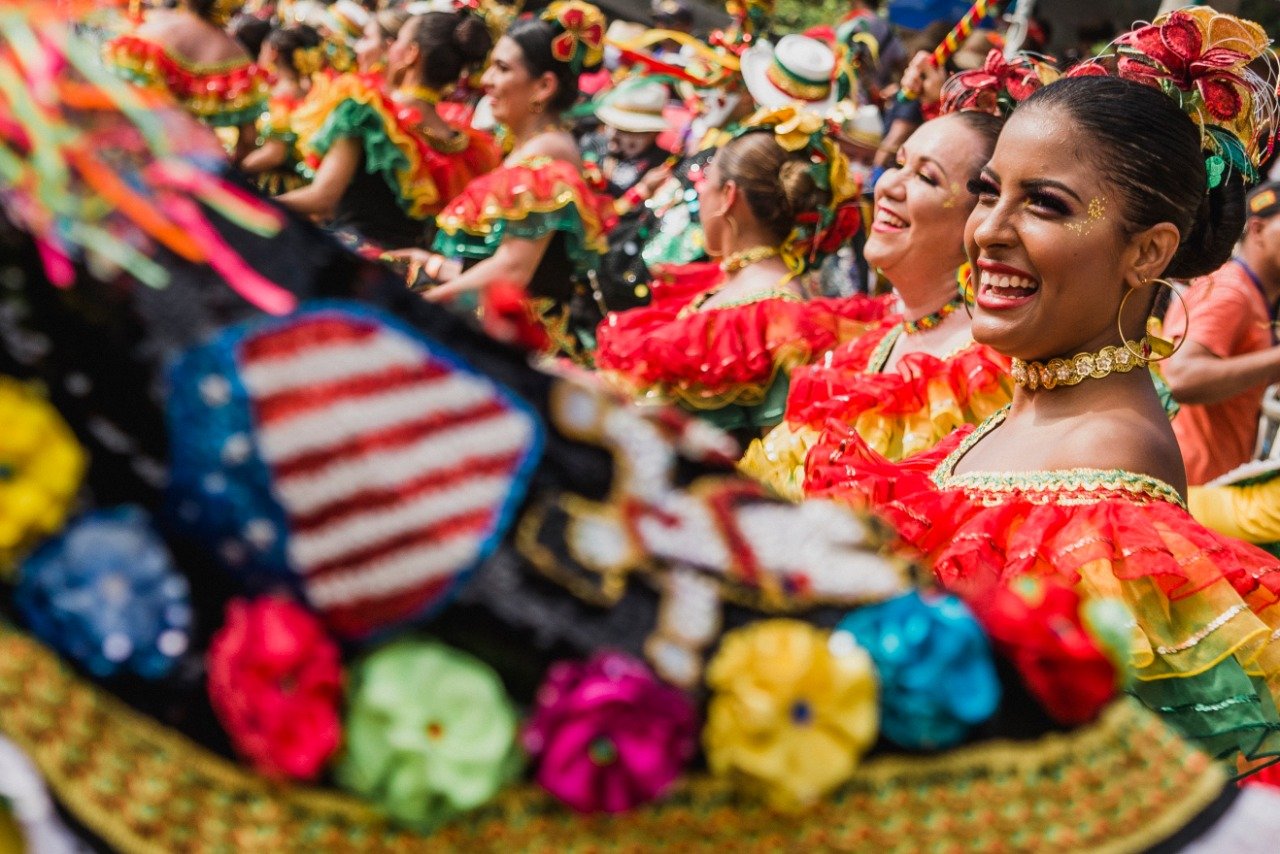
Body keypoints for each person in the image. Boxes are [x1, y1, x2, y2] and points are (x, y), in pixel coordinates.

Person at [807, 7, 1280, 771]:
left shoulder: (1104, 475)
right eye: (989, 192)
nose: (988, 229)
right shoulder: (1025, 408)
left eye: (1045, 204)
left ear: (1147, 251)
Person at [740, 110, 1013, 499]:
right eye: (899, 163)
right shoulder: (871, 344)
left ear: (978, 221)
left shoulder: (990, 375)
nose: (888, 187)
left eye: (926, 177)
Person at [593, 106, 873, 440]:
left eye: (705, 184)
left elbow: (779, 453)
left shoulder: (775, 316)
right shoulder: (736, 287)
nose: (699, 193)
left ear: (728, 196)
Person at [393, 2, 614, 359]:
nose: (487, 81)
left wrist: (420, 303)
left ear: (543, 86)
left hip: (517, 345)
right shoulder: (530, 150)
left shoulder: (548, 155)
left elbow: (514, 269)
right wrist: (428, 262)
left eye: (502, 68)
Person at [280, 9, 500, 248]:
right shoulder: (465, 144)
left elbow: (322, 198)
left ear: (411, 54)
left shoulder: (365, 109)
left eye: (399, 41)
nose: (391, 47)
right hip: (408, 273)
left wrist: (246, 200)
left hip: (353, 261)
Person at [1162, 181, 1280, 486]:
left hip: (1209, 481)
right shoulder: (1232, 292)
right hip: (1188, 485)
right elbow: (1182, 377)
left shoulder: (1254, 295)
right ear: (1256, 230)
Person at [103, 0, 268, 163]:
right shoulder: (238, 56)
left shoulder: (154, 30)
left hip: (140, 148)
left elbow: (117, 95)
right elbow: (248, 139)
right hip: (196, 163)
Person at [240, 24, 323, 194]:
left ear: (273, 52)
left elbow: (274, 154)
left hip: (275, 187)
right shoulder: (309, 89)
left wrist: (233, 170)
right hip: (298, 184)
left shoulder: (283, 96)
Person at [581, 83, 673, 197]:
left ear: (653, 133)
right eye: (612, 125)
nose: (614, 135)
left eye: (626, 130)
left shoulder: (662, 165)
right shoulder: (592, 144)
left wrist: (643, 191)